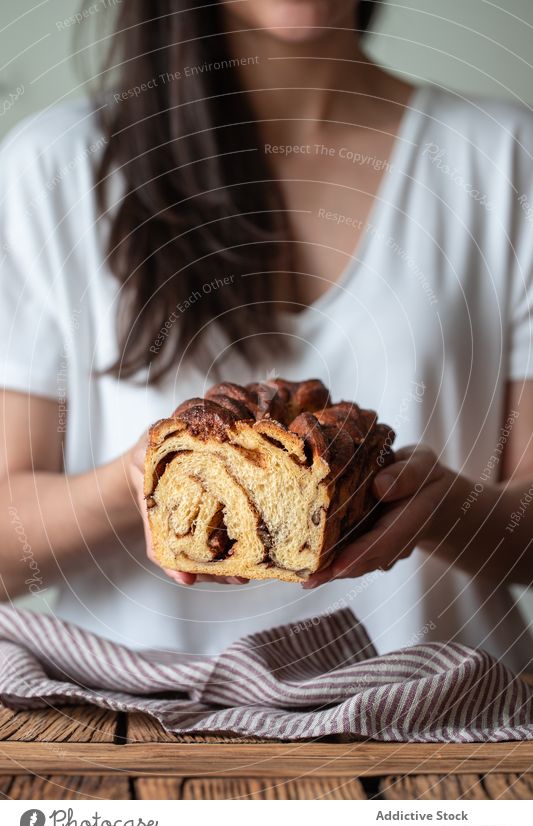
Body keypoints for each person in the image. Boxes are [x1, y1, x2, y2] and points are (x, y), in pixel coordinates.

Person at [1, 0, 532, 670]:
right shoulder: (55, 169)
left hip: (439, 733)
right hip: (130, 737)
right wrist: (148, 479)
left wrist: (442, 507)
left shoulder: (503, 159)